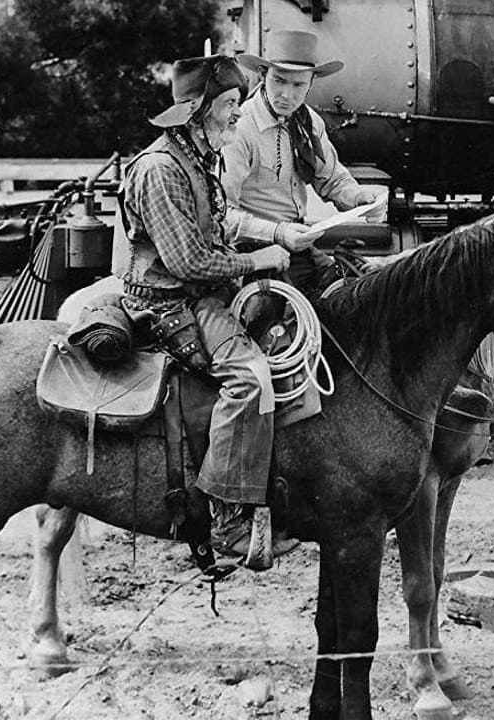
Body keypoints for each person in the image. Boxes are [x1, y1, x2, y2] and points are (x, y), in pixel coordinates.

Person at [116, 54, 318, 571]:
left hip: (200, 291)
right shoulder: (161, 169)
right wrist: (259, 258)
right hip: (168, 301)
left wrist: (270, 235)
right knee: (250, 378)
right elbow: (186, 260)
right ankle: (227, 520)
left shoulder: (199, 156)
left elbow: (217, 225)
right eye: (229, 104)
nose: (237, 113)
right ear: (199, 110)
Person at [225, 29, 386, 292]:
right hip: (253, 252)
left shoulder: (308, 122)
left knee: (358, 291)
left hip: (299, 247)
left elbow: (333, 179)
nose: (287, 95)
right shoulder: (240, 129)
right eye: (279, 81)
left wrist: (360, 198)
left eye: (298, 85)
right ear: (263, 76)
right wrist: (278, 232)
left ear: (311, 84)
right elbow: (222, 216)